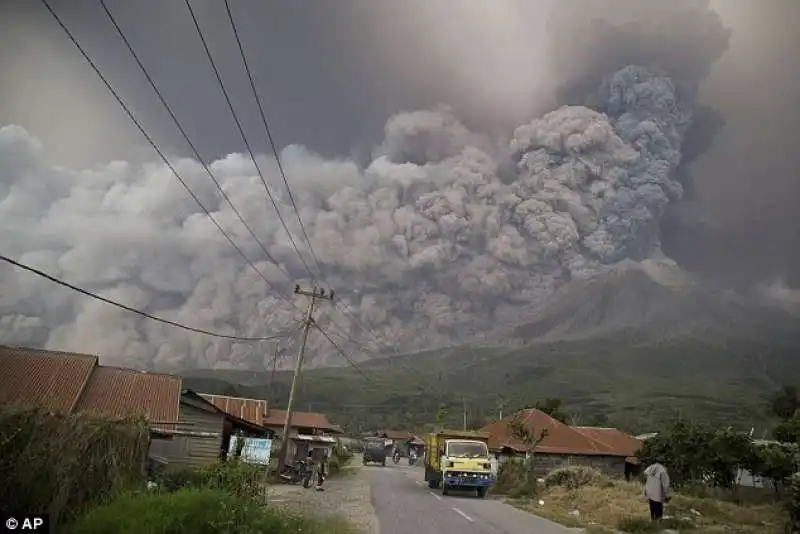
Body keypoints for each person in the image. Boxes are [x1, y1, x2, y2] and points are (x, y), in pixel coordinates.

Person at [643, 458, 671, 523]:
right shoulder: (663, 470)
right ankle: (658, 522)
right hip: (658, 492)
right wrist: (667, 494)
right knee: (658, 507)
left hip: (649, 491)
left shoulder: (650, 467)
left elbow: (645, 474)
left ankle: (653, 520)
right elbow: (665, 484)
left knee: (652, 506)